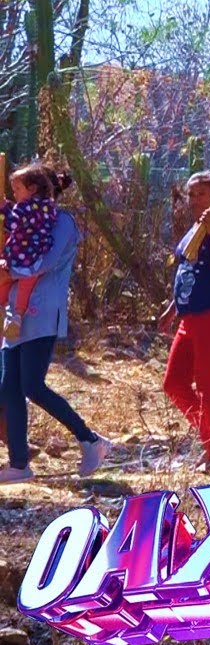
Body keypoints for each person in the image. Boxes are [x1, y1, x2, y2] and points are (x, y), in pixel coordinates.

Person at [0, 164, 108, 484]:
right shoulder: (21, 220)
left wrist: (8, 272)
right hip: (15, 314)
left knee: (32, 386)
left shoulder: (62, 222)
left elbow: (43, 263)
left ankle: (90, 439)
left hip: (43, 313)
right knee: (9, 388)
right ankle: (19, 464)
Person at [159, 170, 210, 474]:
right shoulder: (194, 228)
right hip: (190, 317)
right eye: (191, 194)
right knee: (174, 382)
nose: (195, 199)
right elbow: (188, 272)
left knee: (208, 384)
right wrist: (173, 308)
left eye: (202, 194)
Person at [0, 168, 59, 338]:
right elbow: (29, 221)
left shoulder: (25, 206)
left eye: (17, 189)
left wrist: (3, 209)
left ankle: (4, 308)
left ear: (32, 189)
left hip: (19, 255)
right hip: (35, 257)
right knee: (25, 284)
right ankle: (16, 316)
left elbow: (12, 224)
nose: (14, 193)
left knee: (5, 280)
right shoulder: (48, 207)